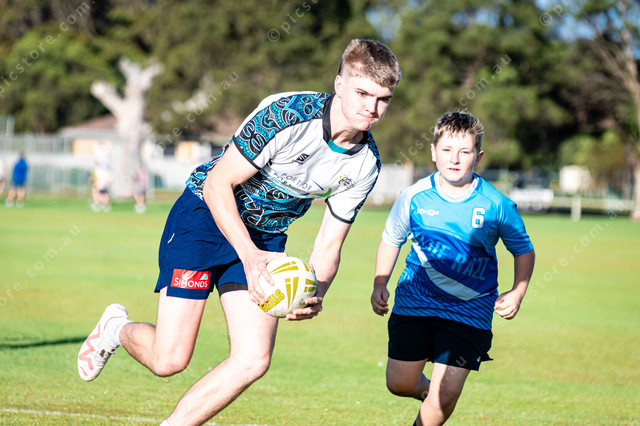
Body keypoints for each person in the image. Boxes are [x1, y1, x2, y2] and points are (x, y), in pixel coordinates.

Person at [78, 39, 401, 425]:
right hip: (205, 217)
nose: (371, 108)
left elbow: (330, 243)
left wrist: (315, 292)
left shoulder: (366, 164)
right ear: (340, 84)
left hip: (265, 238)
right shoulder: (286, 114)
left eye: (383, 99)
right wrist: (248, 257)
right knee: (169, 360)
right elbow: (218, 184)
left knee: (253, 359)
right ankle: (115, 328)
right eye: (363, 93)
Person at [370, 111, 535, 425]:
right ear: (433, 152)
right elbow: (391, 239)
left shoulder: (496, 204)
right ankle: (434, 399)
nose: (454, 159)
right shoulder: (413, 197)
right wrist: (380, 283)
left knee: (445, 392)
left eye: (464, 151)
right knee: (399, 383)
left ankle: (439, 401)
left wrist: (518, 291)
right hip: (415, 302)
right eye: (446, 150)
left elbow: (523, 250)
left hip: (470, 308)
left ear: (478, 157)